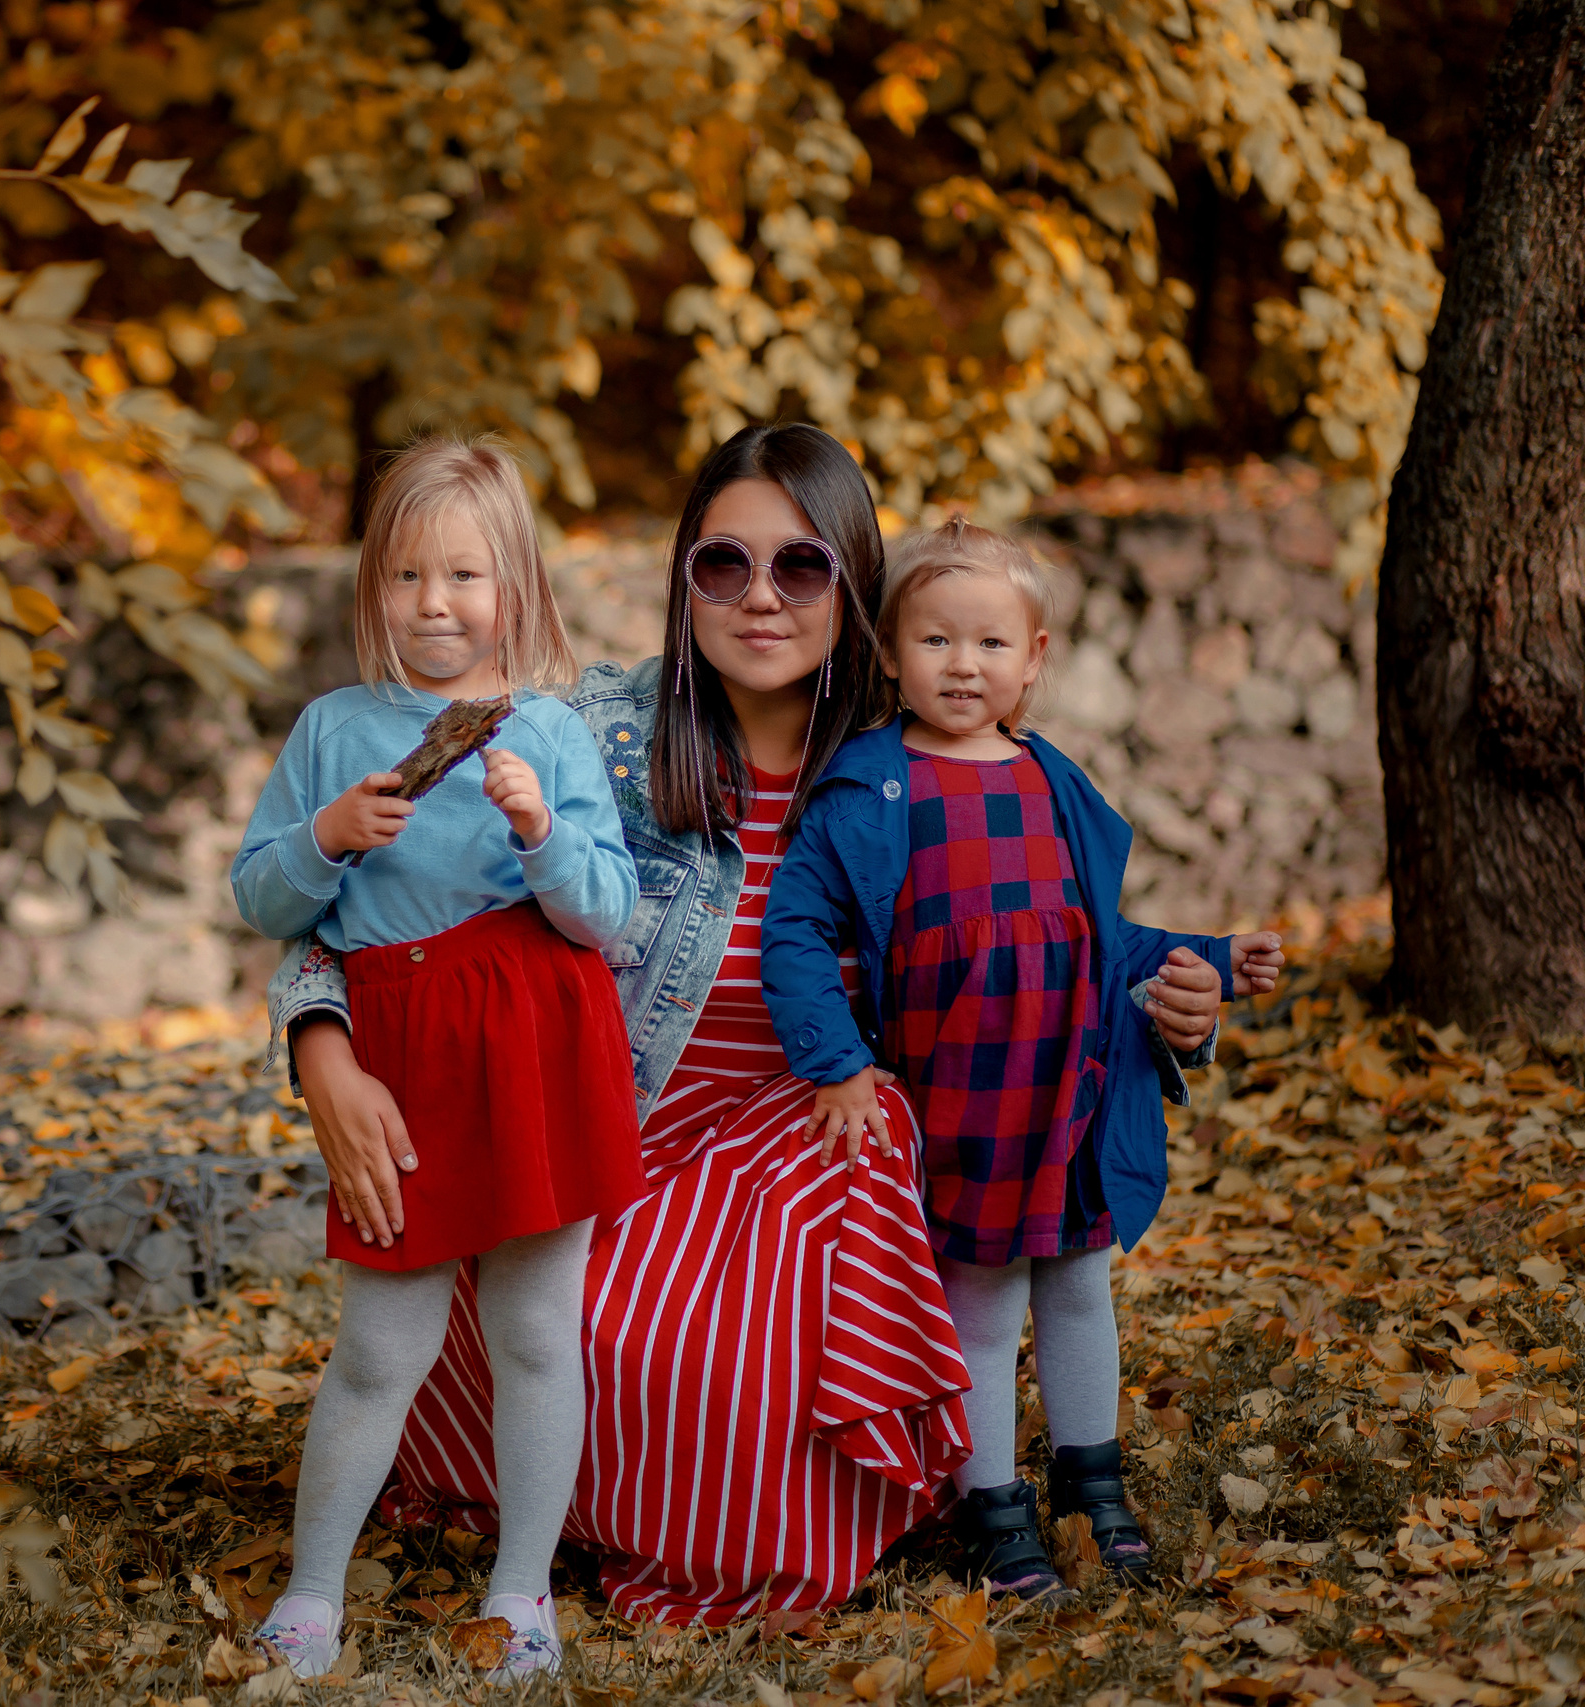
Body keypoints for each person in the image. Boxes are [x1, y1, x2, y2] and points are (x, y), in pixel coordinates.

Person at [268, 423, 1256, 1623]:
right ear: (684, 575)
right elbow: (375, 900)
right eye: (722, 564)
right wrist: (321, 1046)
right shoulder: (580, 730)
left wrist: (1172, 1001)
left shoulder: (926, 755)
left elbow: (1036, 945)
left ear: (857, 585)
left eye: (801, 568)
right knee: (597, 1336)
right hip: (607, 1139)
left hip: (810, 1157)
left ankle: (781, 1472)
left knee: (738, 1350)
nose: (760, 597)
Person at [761, 519, 1285, 1600]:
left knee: (1081, 1290)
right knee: (985, 1304)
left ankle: (1092, 1486)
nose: (964, 665)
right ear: (890, 654)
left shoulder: (1053, 782)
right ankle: (991, 1507)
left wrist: (1215, 961)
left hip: (1070, 1091)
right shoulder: (870, 789)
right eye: (937, 642)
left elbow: (1096, 940)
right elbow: (796, 933)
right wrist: (837, 1063)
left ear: (1033, 658)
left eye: (991, 644)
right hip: (960, 1095)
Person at [230, 436, 644, 1679]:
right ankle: (311, 1595)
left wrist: (537, 832)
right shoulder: (331, 730)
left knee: (533, 1334)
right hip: (402, 1059)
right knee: (379, 1347)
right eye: (407, 576)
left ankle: (522, 1592)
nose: (435, 603)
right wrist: (326, 834)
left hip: (536, 1041)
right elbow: (261, 897)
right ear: (373, 588)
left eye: (464, 575)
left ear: (511, 582)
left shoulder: (554, 735)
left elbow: (604, 916)